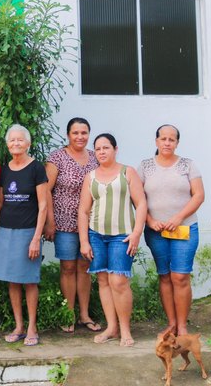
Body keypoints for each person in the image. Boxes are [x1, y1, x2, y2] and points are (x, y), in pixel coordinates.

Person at [78, 133, 146, 348]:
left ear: (115, 149)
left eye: (106, 147)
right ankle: (111, 327)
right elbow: (83, 211)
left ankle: (125, 330)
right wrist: (84, 241)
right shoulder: (91, 177)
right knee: (104, 281)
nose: (101, 152)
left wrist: (136, 233)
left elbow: (141, 204)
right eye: (97, 149)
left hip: (122, 235)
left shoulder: (128, 172)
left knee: (119, 281)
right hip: (96, 235)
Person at [138, 124, 205, 337]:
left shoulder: (188, 165)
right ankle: (172, 323)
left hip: (184, 228)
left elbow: (198, 195)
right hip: (156, 231)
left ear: (177, 143)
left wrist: (178, 218)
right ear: (156, 141)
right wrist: (149, 220)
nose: (167, 143)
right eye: (163, 139)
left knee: (180, 276)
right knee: (165, 275)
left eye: (172, 139)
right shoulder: (145, 166)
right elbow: (137, 199)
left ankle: (183, 326)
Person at [0, 124, 48, 347]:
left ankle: (32, 326)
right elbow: (0, 204)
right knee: (12, 281)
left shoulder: (36, 168)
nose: (16, 143)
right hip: (6, 231)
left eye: (20, 140)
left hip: (28, 232)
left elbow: (43, 205)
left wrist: (36, 238)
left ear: (28, 143)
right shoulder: (4, 170)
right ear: (7, 145)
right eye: (12, 140)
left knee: (29, 280)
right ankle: (19, 326)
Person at [44, 118, 100, 333]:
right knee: (68, 267)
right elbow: (46, 190)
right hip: (63, 222)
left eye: (84, 132)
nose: (80, 137)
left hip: (90, 223)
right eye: (75, 133)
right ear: (68, 135)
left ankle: (84, 315)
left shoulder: (95, 158)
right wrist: (50, 222)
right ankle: (68, 313)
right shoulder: (57, 158)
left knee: (85, 267)